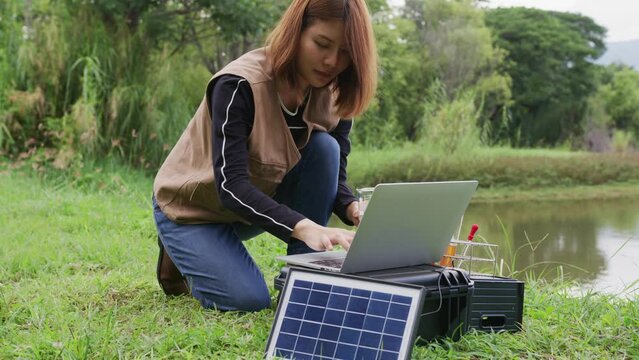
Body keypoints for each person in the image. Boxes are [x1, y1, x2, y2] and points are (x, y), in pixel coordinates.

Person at [152, 0, 377, 311]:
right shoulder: (238, 85)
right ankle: (177, 247)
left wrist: (352, 207)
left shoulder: (334, 95)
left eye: (345, 54)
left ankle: (303, 276)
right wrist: (304, 226)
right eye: (322, 44)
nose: (331, 62)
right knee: (248, 300)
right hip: (193, 208)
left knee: (327, 148)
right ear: (297, 31)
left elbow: (332, 179)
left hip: (251, 207)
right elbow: (231, 186)